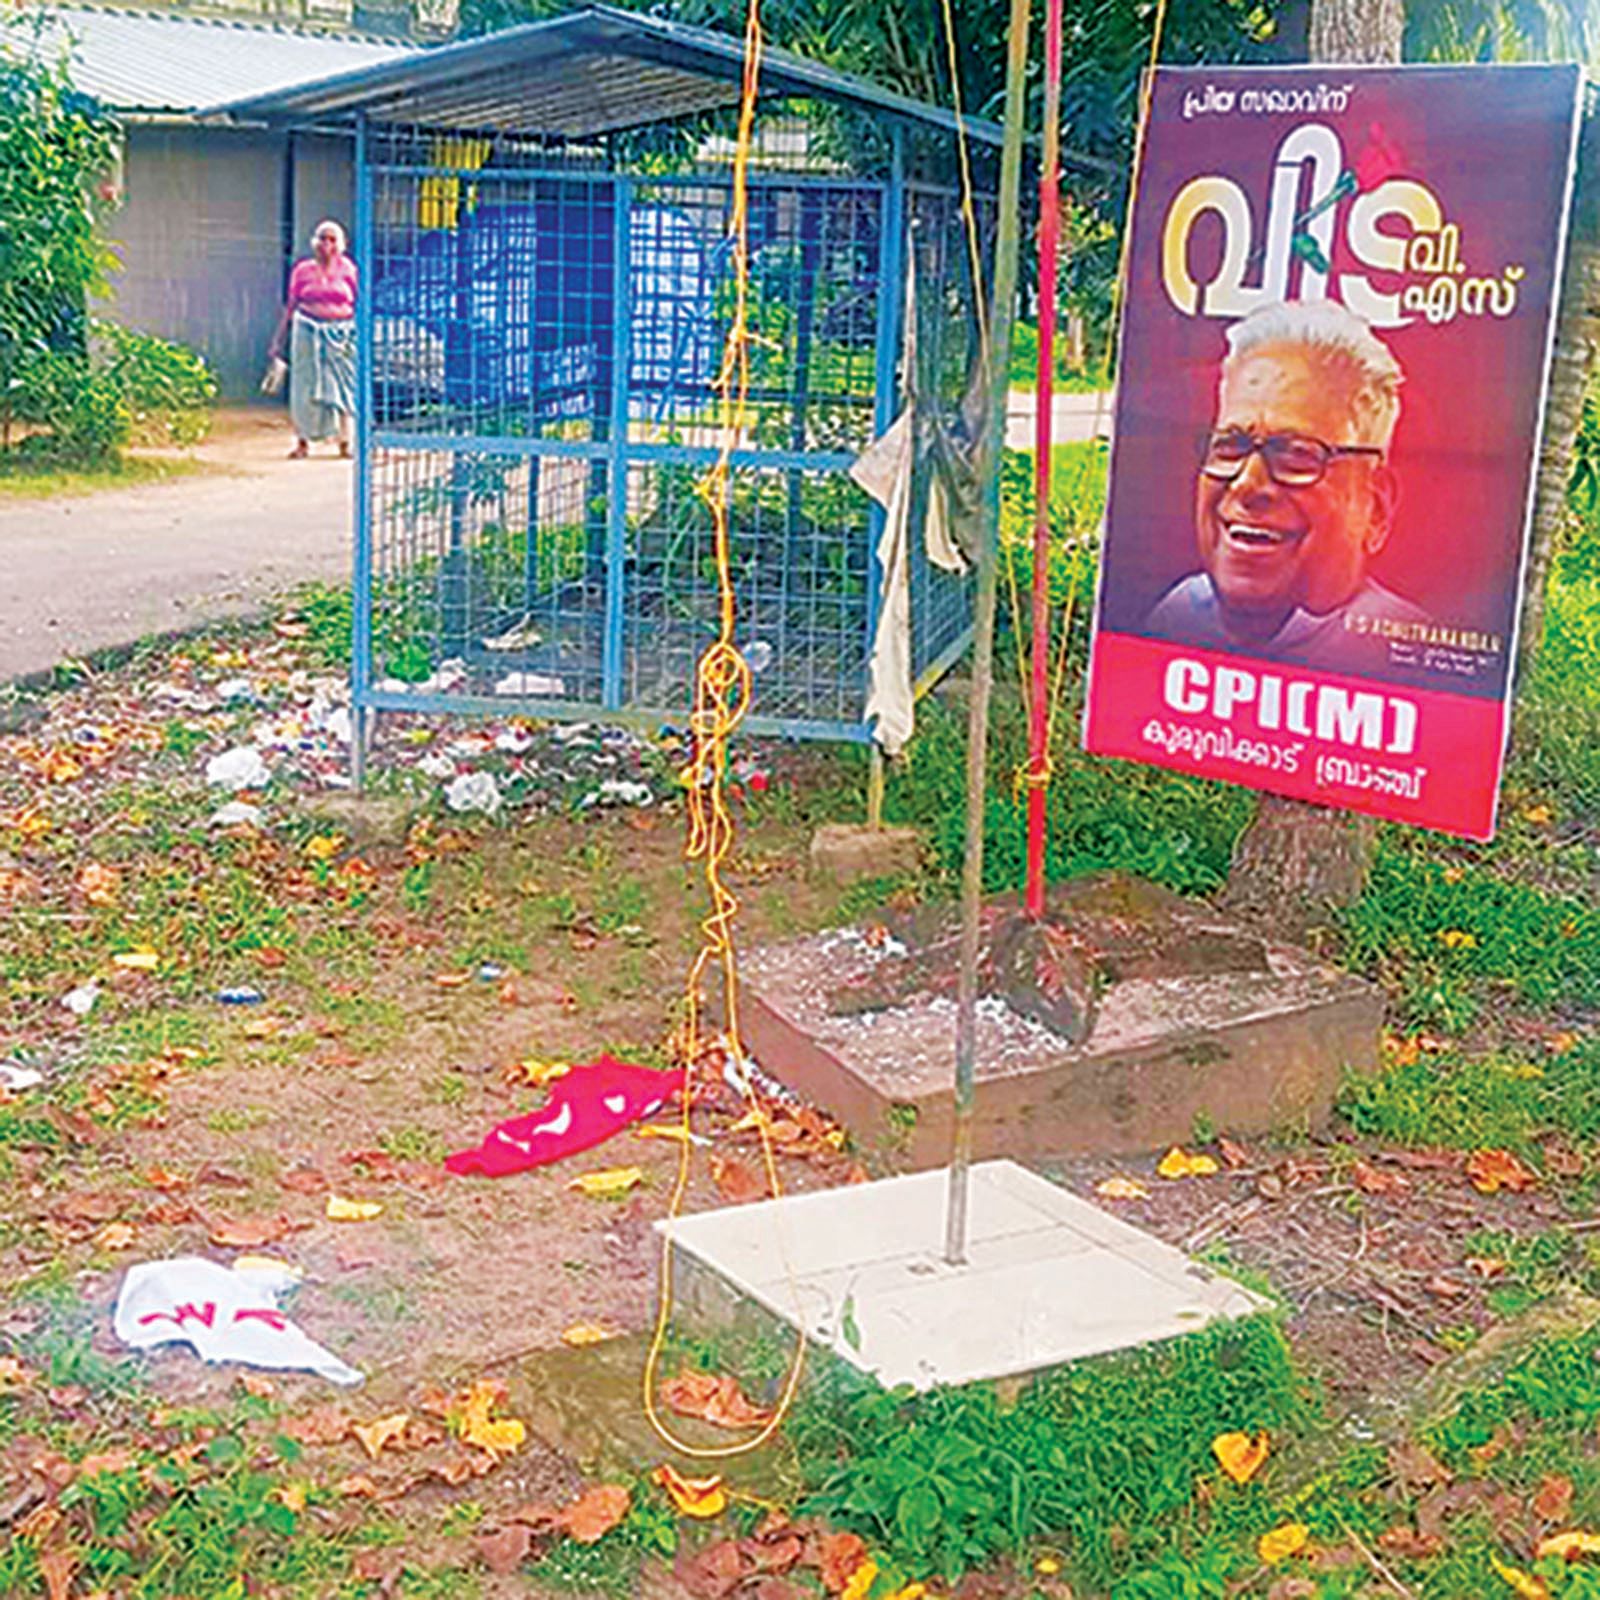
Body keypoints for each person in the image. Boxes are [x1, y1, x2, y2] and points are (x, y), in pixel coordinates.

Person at [1147, 299, 1430, 672]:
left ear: (1375, 507)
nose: (1248, 484)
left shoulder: (1404, 655)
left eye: (1297, 454)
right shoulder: (1177, 615)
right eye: (1230, 445)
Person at [268, 219, 358, 460]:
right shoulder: (303, 270)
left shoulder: (348, 269)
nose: (326, 245)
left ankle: (345, 442)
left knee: (344, 388)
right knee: (304, 388)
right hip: (307, 330)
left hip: (342, 333)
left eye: (332, 239)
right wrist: (279, 340)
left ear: (340, 244)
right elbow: (291, 305)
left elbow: (357, 302)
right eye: (322, 238)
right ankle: (302, 442)